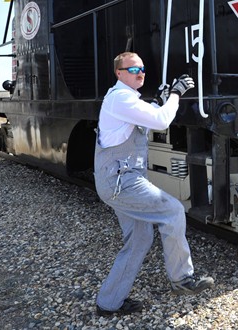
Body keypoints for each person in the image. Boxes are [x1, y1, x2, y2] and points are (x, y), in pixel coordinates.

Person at [94, 51, 214, 317]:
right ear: (119, 73)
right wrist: (177, 93)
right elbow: (161, 120)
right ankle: (183, 279)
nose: (141, 73)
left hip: (118, 180)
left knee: (139, 238)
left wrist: (161, 99)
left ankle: (109, 303)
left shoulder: (125, 100)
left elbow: (147, 120)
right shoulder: (121, 98)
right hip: (121, 182)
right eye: (134, 70)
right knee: (172, 211)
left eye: (142, 69)